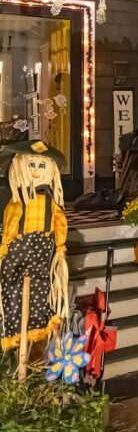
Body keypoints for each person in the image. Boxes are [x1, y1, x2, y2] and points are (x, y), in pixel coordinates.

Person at [0, 140, 69, 355]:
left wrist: (60, 248)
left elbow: (60, 223)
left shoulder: (51, 203)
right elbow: (10, 225)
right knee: (11, 293)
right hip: (16, 252)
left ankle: (36, 336)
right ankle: (13, 339)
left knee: (41, 291)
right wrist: (3, 248)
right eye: (32, 165)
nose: (37, 171)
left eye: (42, 166)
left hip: (43, 252)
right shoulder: (16, 202)